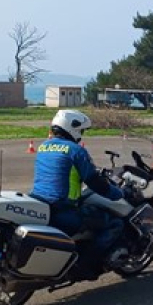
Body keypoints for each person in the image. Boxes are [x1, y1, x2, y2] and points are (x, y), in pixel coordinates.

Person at [29, 109, 127, 273]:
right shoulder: (75, 150)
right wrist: (117, 194)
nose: (81, 134)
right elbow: (94, 181)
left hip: (41, 203)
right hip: (63, 209)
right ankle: (87, 265)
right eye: (81, 130)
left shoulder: (44, 146)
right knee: (114, 223)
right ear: (72, 128)